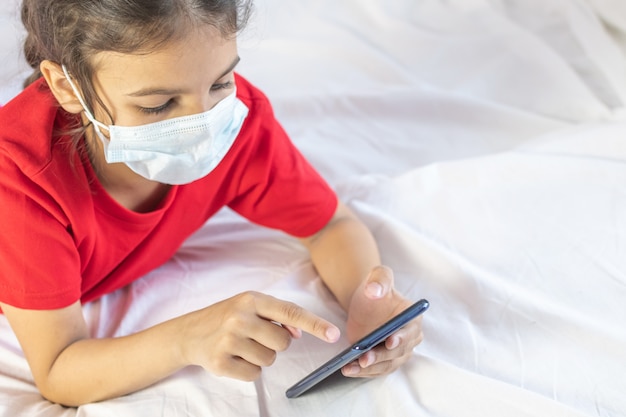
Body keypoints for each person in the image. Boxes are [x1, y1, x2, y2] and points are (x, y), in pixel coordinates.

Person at [0, 0, 424, 407]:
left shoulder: (238, 120)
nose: (202, 123)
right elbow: (58, 370)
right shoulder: (19, 182)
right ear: (64, 86)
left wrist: (368, 303)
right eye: (158, 105)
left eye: (220, 82)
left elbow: (329, 224)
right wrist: (189, 337)